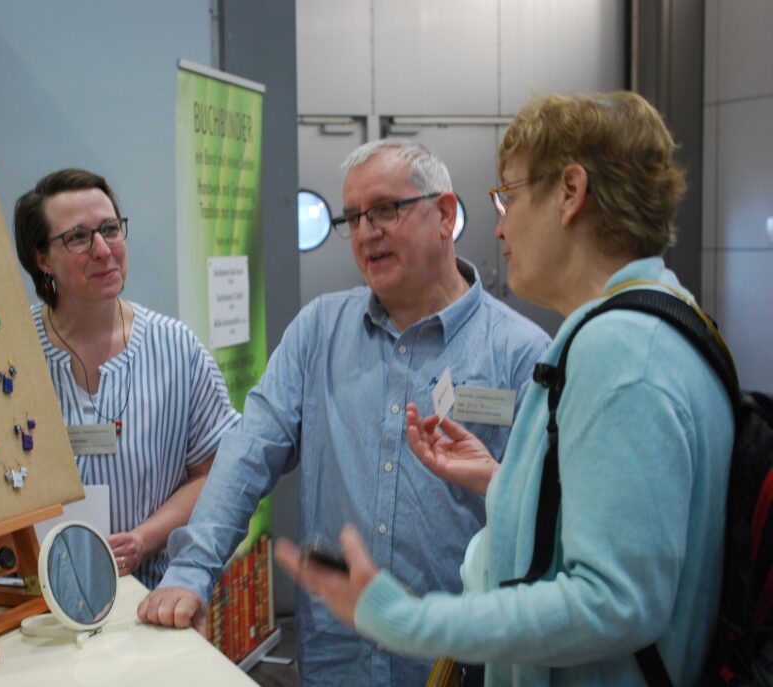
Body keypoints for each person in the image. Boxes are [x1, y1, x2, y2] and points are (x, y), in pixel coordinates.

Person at [275, 92, 734, 686]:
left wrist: (411, 621)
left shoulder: (621, 351)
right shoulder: (668, 318)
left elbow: (616, 602)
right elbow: (626, 527)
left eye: (510, 195)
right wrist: (504, 484)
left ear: (570, 192)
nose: (499, 226)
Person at [138, 140, 550, 685]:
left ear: (445, 214)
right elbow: (247, 453)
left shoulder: (522, 353)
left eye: (385, 210)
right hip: (338, 654)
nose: (365, 232)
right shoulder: (319, 332)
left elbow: (541, 520)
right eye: (352, 217)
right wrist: (192, 571)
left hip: (457, 657)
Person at [13, 168, 240, 589]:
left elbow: (215, 473)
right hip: (36, 598)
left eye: (110, 230)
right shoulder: (11, 353)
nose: (103, 250)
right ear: (42, 258)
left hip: (152, 595)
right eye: (78, 237)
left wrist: (142, 539)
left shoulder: (176, 349)